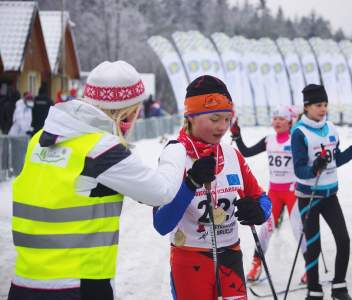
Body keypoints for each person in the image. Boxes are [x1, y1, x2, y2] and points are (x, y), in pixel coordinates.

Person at [7, 61, 210, 300]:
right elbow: (161, 191)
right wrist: (176, 149)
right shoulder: (101, 149)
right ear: (127, 111)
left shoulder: (40, 140)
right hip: (79, 284)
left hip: (24, 282)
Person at [153, 75, 272, 300]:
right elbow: (161, 223)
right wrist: (191, 183)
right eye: (215, 118)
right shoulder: (175, 155)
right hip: (190, 259)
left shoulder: (231, 154)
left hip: (230, 256)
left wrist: (258, 211)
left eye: (227, 119)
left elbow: (263, 199)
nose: (223, 127)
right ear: (191, 117)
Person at [291, 84, 352, 300]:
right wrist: (315, 166)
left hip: (330, 196)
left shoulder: (332, 129)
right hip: (309, 197)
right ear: (307, 107)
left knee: (343, 240)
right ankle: (314, 290)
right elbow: (299, 170)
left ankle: (339, 286)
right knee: (313, 246)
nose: (323, 108)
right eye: (318, 105)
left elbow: (336, 160)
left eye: (325, 104)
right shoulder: (299, 132)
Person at [230, 104, 308, 283]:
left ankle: (310, 267)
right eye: (275, 119)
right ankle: (256, 264)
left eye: (281, 119)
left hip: (292, 193)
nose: (277, 122)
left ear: (290, 122)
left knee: (299, 230)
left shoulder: (295, 139)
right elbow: (246, 152)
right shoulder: (269, 140)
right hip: (274, 193)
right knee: (265, 229)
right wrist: (237, 135)